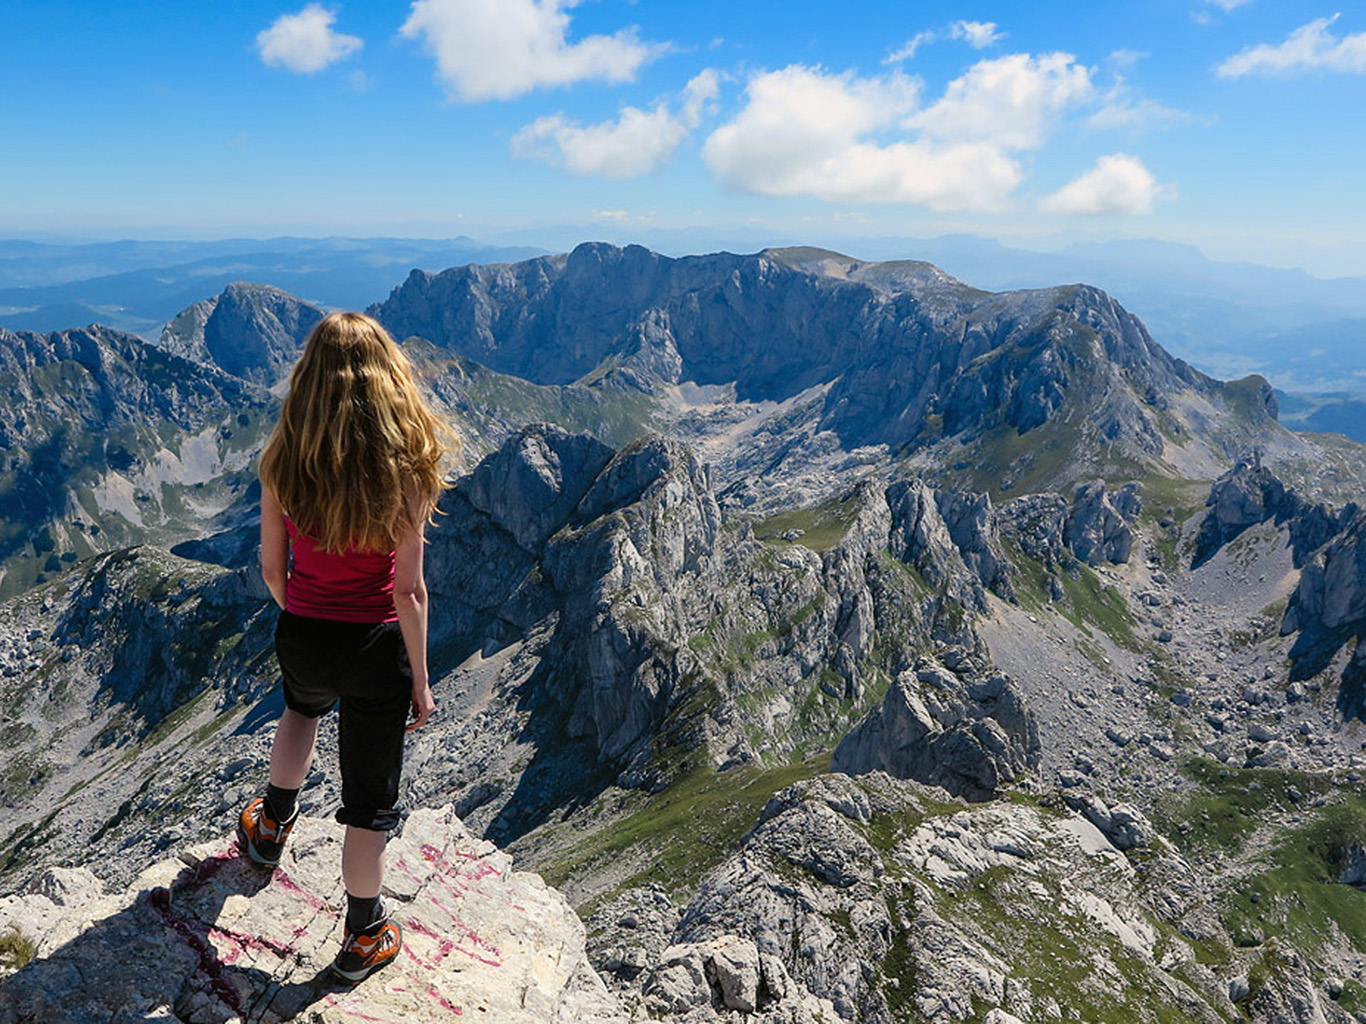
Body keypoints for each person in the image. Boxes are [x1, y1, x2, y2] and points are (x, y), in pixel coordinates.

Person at [237, 311, 455, 985]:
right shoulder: (407, 471)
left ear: (309, 381)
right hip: (375, 646)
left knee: (300, 712)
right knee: (368, 803)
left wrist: (304, 616)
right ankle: (364, 932)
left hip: (303, 630)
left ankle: (271, 824)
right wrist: (419, 677)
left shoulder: (284, 462)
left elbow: (274, 571)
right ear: (388, 379)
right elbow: (410, 592)